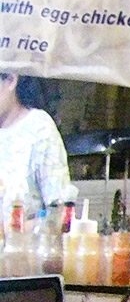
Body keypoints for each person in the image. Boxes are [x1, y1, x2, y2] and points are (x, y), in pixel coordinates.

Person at [0, 72, 71, 218]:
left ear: (10, 80)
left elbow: (58, 211)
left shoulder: (39, 128)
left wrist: (19, 228)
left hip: (22, 239)